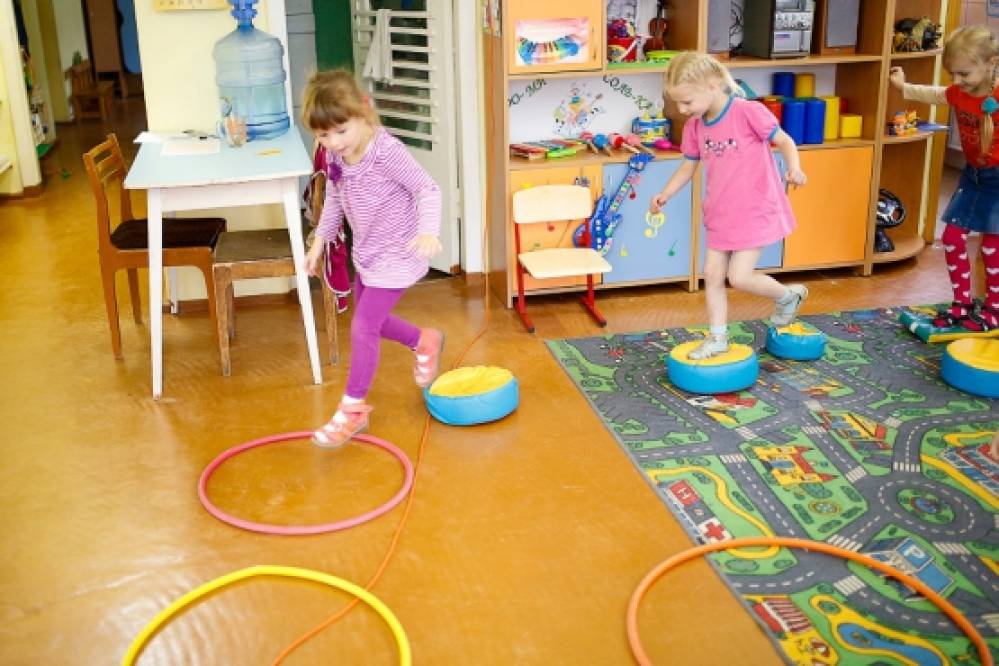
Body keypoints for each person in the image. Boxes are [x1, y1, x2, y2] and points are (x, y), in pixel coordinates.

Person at [302, 70, 445, 448]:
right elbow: (335, 200)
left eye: (341, 131)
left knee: (363, 327)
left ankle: (352, 410)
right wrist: (319, 242)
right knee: (374, 323)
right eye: (322, 135)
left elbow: (427, 188)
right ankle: (424, 340)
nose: (333, 142)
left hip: (398, 253)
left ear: (362, 114)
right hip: (367, 253)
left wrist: (428, 230)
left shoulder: (385, 152)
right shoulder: (337, 155)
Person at [650, 52, 809, 359]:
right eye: (677, 103)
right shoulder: (695, 126)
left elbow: (785, 141)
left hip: (754, 209)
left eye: (687, 102)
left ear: (712, 85)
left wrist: (795, 169)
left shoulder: (748, 112)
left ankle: (788, 296)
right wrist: (665, 193)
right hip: (721, 213)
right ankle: (718, 337)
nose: (682, 110)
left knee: (739, 277)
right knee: (711, 275)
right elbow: (688, 165)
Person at [889, 24, 999, 332]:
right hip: (973, 177)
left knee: (993, 247)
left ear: (990, 65)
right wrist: (903, 86)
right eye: (952, 74)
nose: (957, 81)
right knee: (951, 237)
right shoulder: (958, 93)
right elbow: (936, 94)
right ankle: (962, 303)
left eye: (964, 74)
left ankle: (994, 309)